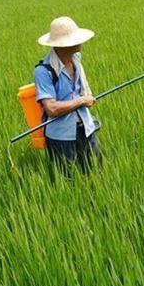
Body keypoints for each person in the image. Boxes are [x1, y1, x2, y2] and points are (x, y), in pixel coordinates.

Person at [33, 16, 102, 176]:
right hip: (61, 137)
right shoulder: (43, 72)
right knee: (69, 181)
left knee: (97, 175)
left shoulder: (76, 60)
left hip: (86, 129)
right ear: (64, 45)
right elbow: (51, 108)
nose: (80, 42)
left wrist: (85, 98)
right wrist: (82, 101)